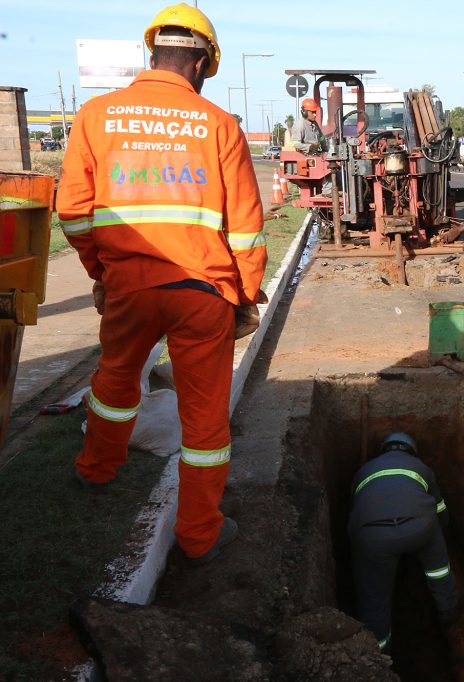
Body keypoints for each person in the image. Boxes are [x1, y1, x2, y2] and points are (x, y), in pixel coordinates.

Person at [56, 3, 267, 565]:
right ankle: (199, 534)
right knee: (204, 420)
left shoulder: (96, 116)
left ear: (153, 53)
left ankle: (97, 471)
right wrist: (243, 294)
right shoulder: (220, 126)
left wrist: (103, 272)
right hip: (203, 294)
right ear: (201, 62)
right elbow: (246, 228)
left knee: (115, 384)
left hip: (128, 286)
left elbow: (73, 213)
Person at [348, 432, 460, 652]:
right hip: (420, 527)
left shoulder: (362, 471)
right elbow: (440, 510)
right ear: (412, 451)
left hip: (374, 538)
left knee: (375, 600)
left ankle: (378, 656)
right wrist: (443, 536)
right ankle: (449, 612)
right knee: (439, 571)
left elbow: (354, 511)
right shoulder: (421, 468)